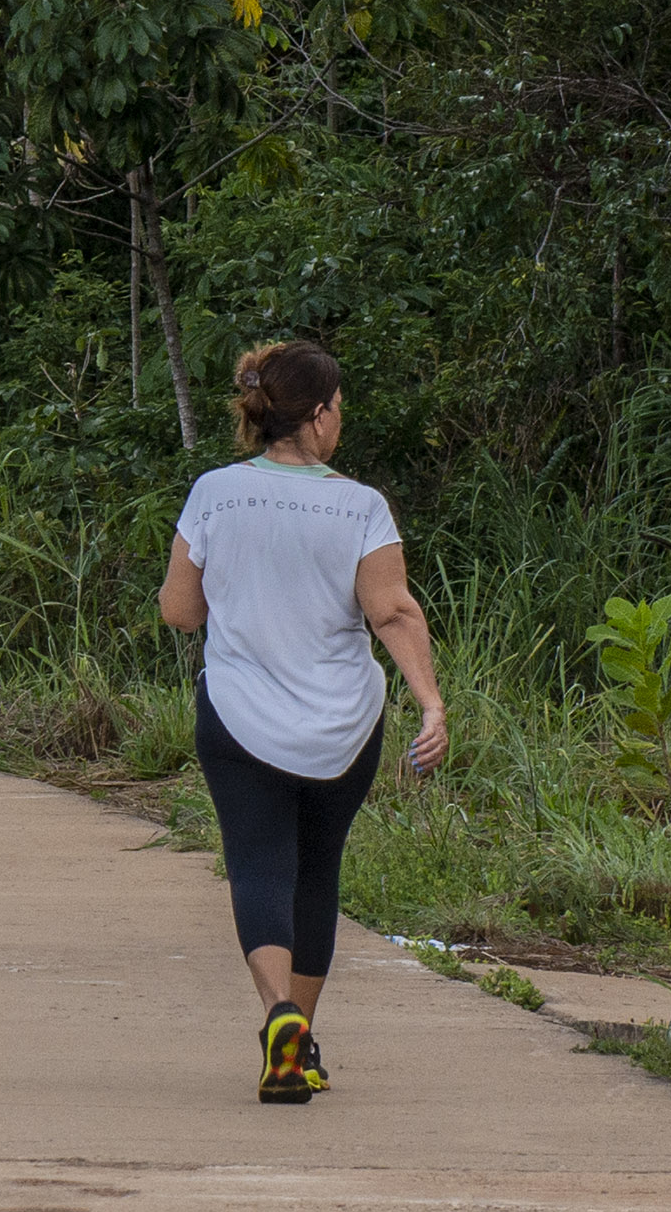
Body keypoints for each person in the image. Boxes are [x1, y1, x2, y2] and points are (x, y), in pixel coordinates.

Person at [158, 337, 447, 1106]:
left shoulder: (215, 492)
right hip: (342, 726)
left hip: (241, 716)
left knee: (259, 867)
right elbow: (391, 609)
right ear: (318, 416)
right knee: (318, 872)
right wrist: (431, 702)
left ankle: (280, 1018)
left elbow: (180, 612)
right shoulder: (361, 505)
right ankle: (299, 1042)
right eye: (339, 408)